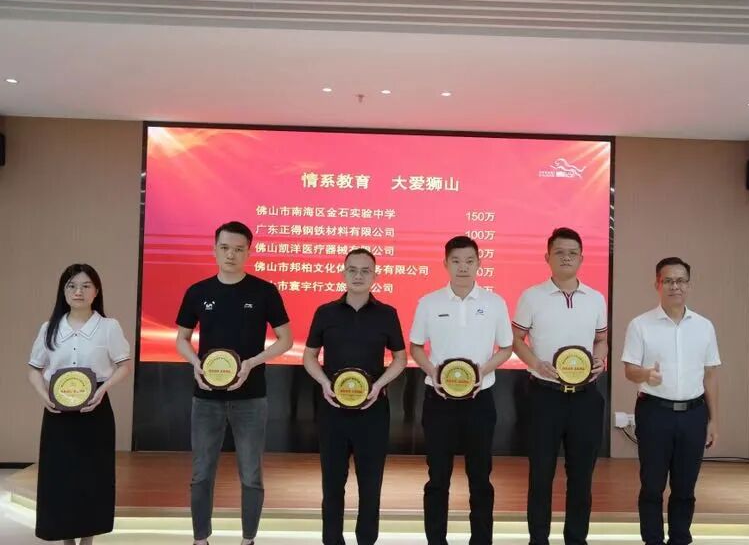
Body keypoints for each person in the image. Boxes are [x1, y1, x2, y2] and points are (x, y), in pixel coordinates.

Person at [176, 221, 293, 545]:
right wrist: (196, 363)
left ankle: (248, 539)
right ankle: (200, 539)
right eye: (225, 248)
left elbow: (285, 339)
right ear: (215, 249)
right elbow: (182, 339)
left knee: (251, 474)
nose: (231, 254)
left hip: (251, 398)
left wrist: (252, 363)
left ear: (248, 252)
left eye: (239, 249)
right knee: (201, 472)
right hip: (205, 397)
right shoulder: (198, 292)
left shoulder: (264, 291)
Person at [409, 235, 513, 545]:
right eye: (456, 261)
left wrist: (481, 371)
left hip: (479, 401)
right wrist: (434, 373)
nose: (463, 267)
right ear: (445, 264)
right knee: (437, 478)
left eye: (469, 261)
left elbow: (506, 348)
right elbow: (416, 347)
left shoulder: (495, 303)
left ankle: (480, 540)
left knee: (480, 477)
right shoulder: (429, 303)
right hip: (438, 400)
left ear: (479, 263)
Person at [303, 248, 407, 545]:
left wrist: (379, 385)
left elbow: (400, 359)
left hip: (373, 412)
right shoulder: (325, 313)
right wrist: (325, 383)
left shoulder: (387, 314)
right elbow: (309, 356)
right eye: (352, 269)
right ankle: (332, 540)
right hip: (332, 411)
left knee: (371, 486)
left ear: (375, 276)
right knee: (332, 485)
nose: (358, 276)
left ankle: (366, 540)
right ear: (343, 273)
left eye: (365, 270)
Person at [512, 227, 608, 545]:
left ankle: (576, 539)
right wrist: (535, 363)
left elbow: (601, 339)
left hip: (585, 399)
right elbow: (516, 338)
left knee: (581, 477)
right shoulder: (532, 297)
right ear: (547, 257)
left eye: (572, 253)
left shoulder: (595, 298)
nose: (566, 258)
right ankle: (538, 539)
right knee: (541, 475)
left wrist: (600, 358)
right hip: (544, 397)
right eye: (560, 252)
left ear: (581, 258)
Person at [27, 263, 132, 544]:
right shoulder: (49, 328)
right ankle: (66, 539)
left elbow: (124, 365)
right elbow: (34, 369)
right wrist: (43, 395)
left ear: (96, 291)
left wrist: (104, 389)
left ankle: (88, 539)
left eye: (86, 286)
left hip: (95, 409)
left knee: (92, 477)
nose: (79, 292)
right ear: (63, 291)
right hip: (57, 411)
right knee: (59, 476)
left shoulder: (108, 327)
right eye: (72, 286)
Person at [622, 257, 720, 545]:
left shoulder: (704, 326)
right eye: (668, 281)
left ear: (689, 285)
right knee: (652, 486)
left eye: (680, 281)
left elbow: (710, 376)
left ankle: (680, 538)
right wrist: (646, 374)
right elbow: (629, 370)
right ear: (657, 284)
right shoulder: (640, 325)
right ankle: (652, 540)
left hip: (694, 414)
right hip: (655, 412)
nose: (675, 286)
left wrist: (714, 420)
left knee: (685, 487)